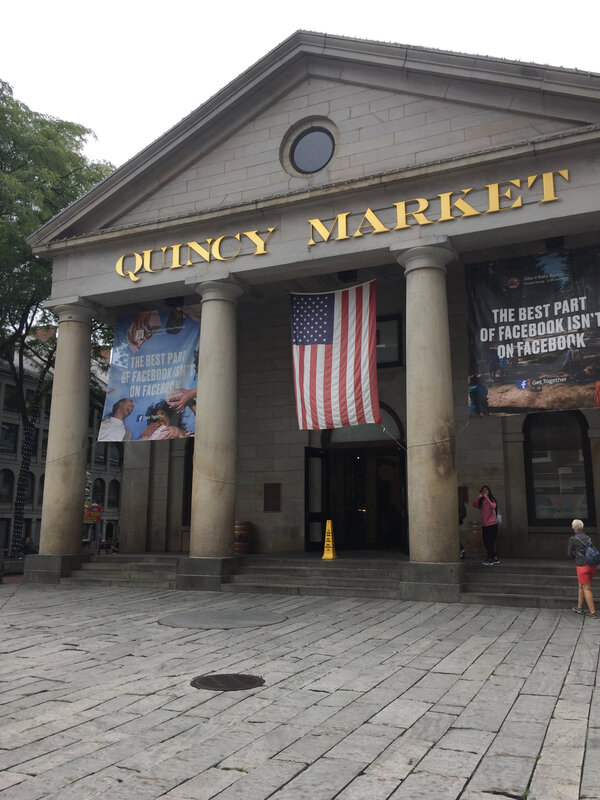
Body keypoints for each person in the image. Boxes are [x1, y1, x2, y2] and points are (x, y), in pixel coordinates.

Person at [568, 519, 598, 618]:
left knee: (586, 588)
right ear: (582, 527)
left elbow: (569, 554)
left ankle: (593, 612)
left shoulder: (573, 539)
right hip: (592, 565)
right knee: (581, 585)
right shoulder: (588, 538)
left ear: (573, 528)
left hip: (582, 566)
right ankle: (579, 607)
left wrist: (575, 555)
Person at [473, 485, 499, 565]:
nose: (485, 492)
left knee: (491, 542)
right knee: (486, 542)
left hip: (493, 524)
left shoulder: (492, 499)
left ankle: (490, 558)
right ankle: (494, 557)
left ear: (489, 491)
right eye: (483, 490)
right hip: (485, 524)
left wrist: (487, 498)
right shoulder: (482, 501)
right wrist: (479, 497)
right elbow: (475, 505)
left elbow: (493, 506)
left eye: (486, 490)